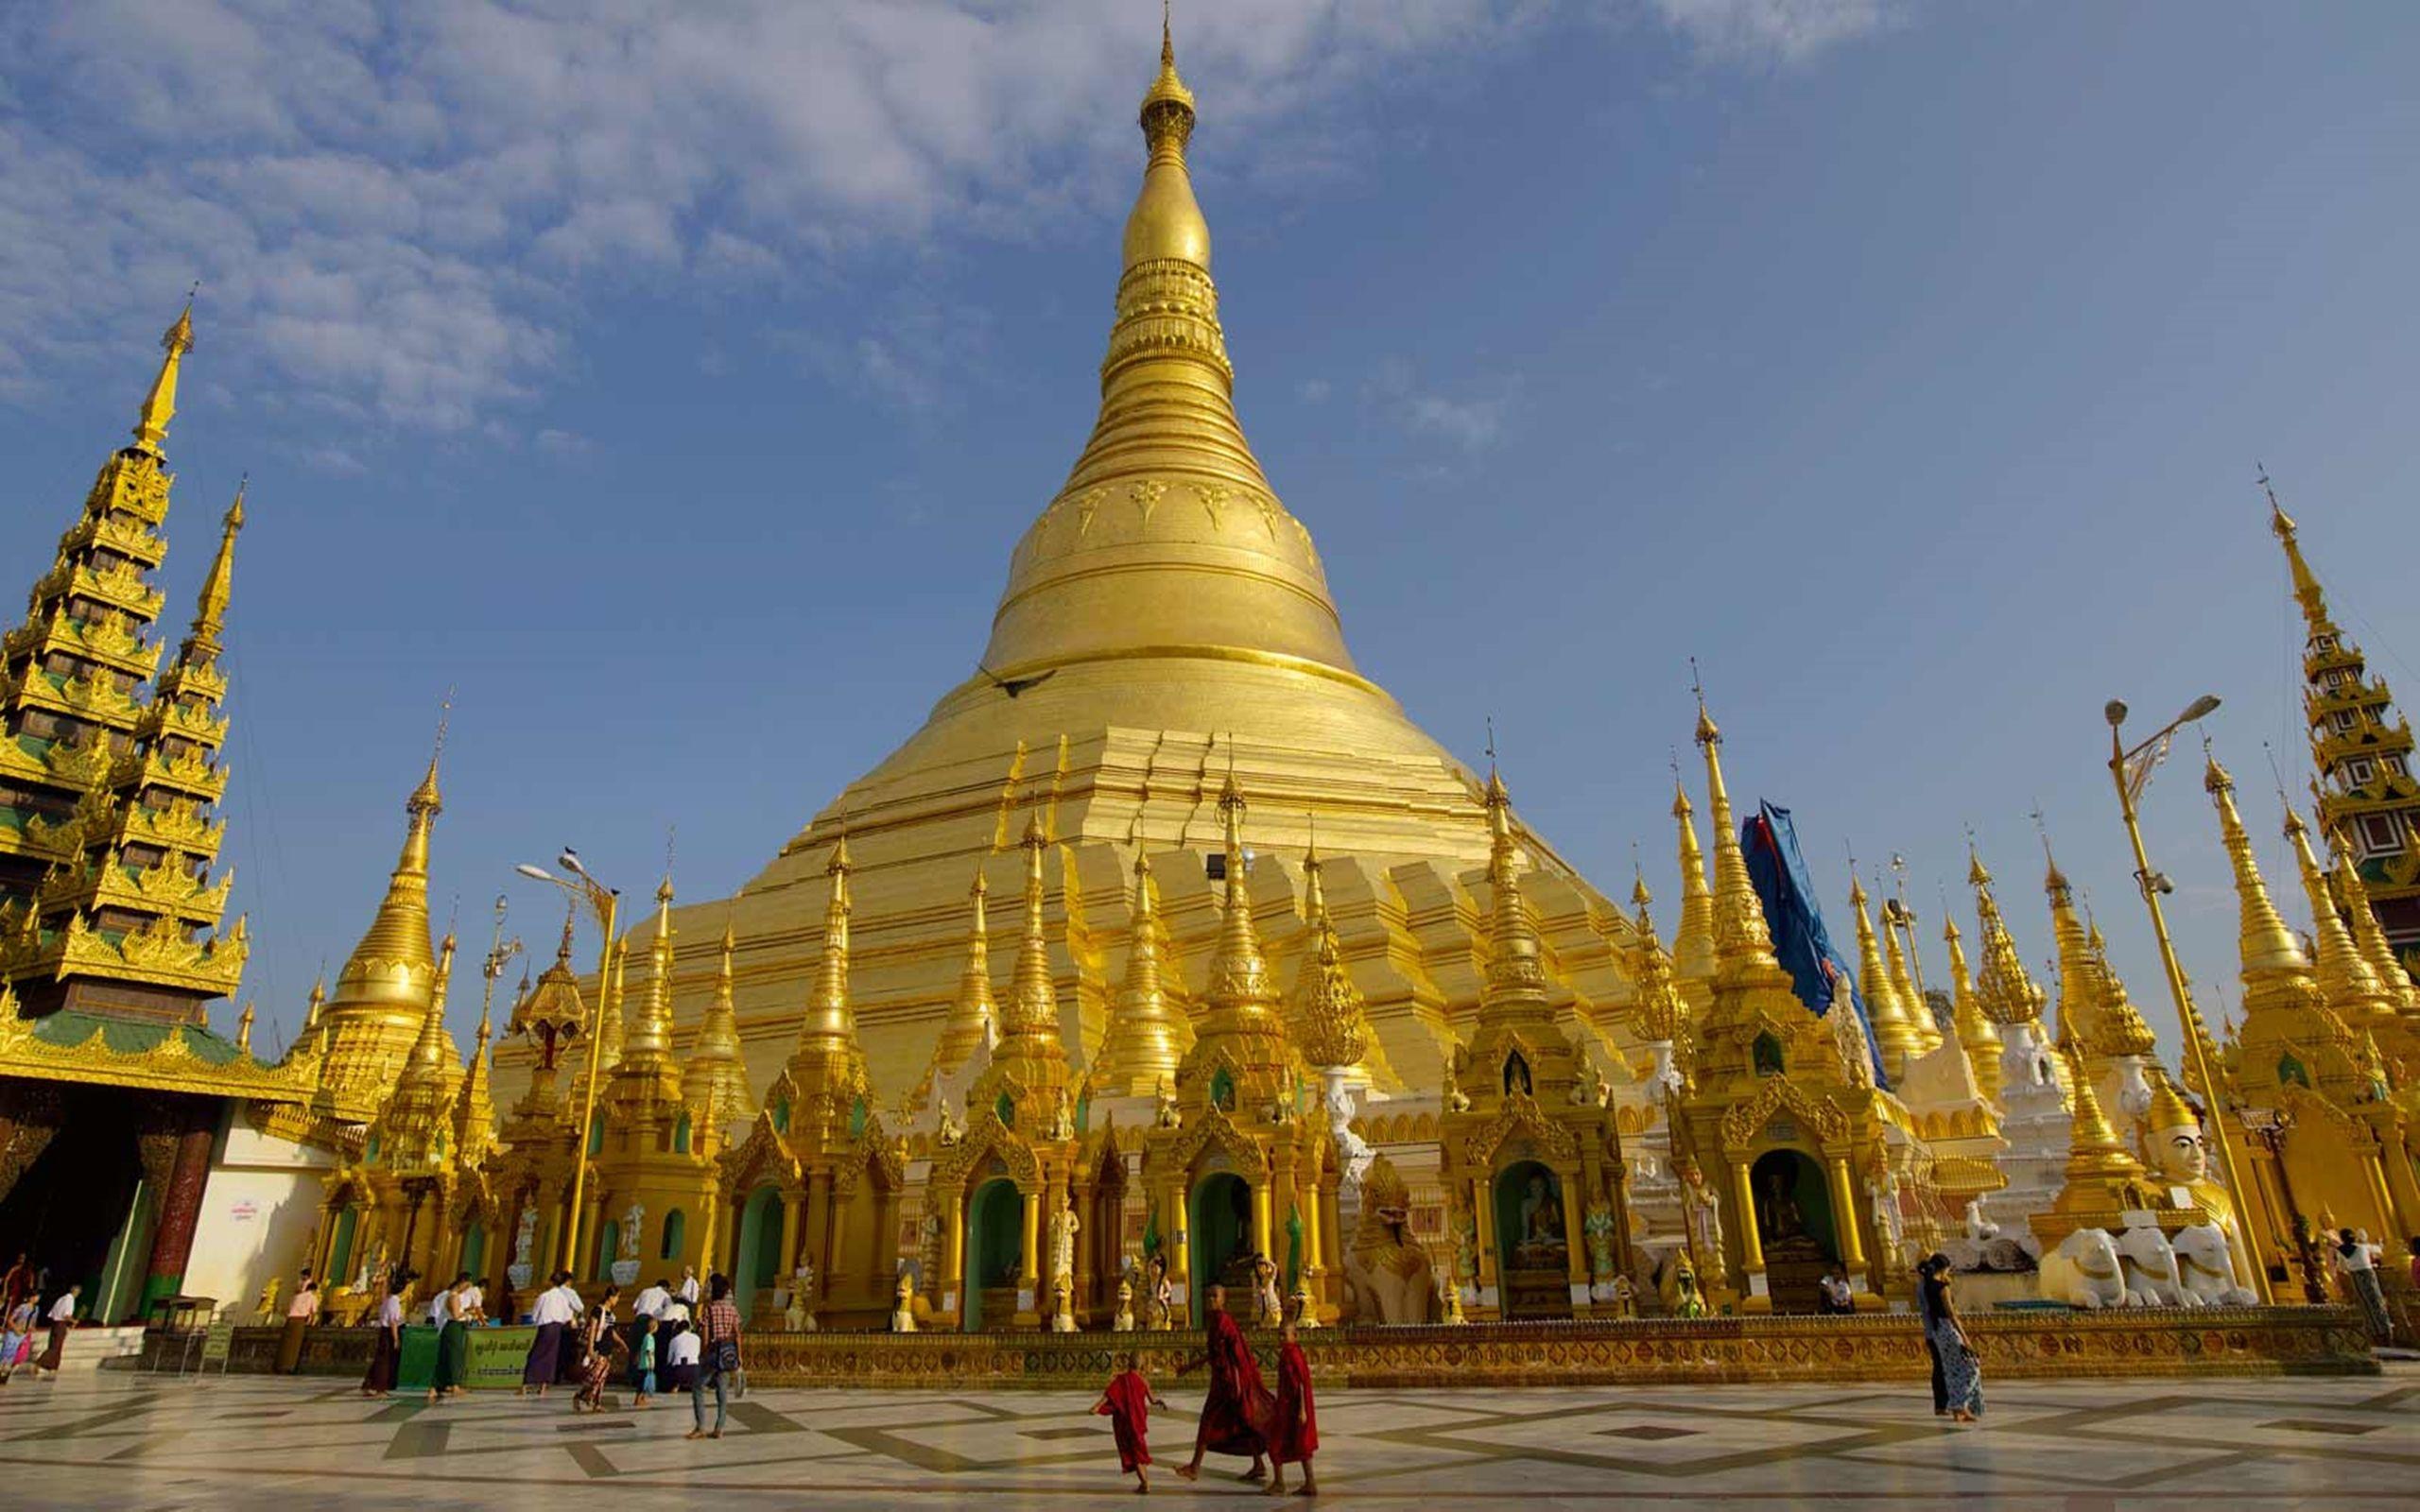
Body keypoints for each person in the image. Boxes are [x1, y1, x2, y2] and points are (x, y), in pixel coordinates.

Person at [1174, 1284, 1272, 1484]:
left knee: (1209, 1421)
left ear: (1223, 1299)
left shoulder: (1224, 1322)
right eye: (1208, 1296)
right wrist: (1189, 1367)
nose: (1211, 1299)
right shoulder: (1217, 1321)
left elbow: (1236, 1355)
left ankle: (1194, 1467)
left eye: (1215, 1296)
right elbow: (1214, 1354)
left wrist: (1237, 1384)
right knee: (1243, 1422)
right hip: (1223, 1381)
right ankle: (1259, 1464)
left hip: (1229, 1383)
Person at [1092, 1350, 1168, 1494]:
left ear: (1128, 1363)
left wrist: (1097, 1406)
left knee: (1135, 1454)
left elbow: (1109, 1395)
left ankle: (1145, 1483)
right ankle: (1144, 1483)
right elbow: (1152, 1400)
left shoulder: (1122, 1379)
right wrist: (1160, 1402)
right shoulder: (1143, 1381)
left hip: (1127, 1422)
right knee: (1137, 1451)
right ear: (1142, 1365)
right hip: (1138, 1422)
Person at [1919, 1256, 1982, 1423]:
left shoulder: (1926, 1286)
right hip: (1948, 1329)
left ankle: (1960, 1409)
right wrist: (1966, 1338)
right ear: (1944, 1268)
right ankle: (1959, 1404)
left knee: (1951, 1370)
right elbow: (1951, 1314)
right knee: (1972, 1366)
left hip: (1937, 1332)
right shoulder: (1942, 1287)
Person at [1265, 1317, 1319, 1498]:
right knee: (1300, 1443)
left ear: (1294, 1336)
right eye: (1279, 1334)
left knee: (1277, 1441)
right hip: (1287, 1405)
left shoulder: (1293, 1354)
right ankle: (1309, 1482)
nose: (1281, 1338)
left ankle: (1280, 1483)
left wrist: (1302, 1410)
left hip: (1294, 1406)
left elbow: (1302, 1383)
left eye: (1284, 1334)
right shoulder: (1288, 1353)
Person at [687, 1273, 743, 1441]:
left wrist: (703, 1353)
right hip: (728, 1352)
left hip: (714, 1351)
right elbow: (737, 1334)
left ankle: (701, 1426)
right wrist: (739, 1356)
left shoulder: (709, 1310)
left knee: (697, 1386)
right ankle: (719, 1428)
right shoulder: (732, 1310)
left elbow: (705, 1335)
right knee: (722, 1391)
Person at [521, 1271, 579, 1397]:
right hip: (557, 1328)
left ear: (551, 1282)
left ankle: (525, 1386)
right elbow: (567, 1315)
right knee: (550, 1357)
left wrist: (536, 1321)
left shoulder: (544, 1296)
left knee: (535, 1354)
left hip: (545, 1327)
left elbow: (535, 1313)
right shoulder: (563, 1298)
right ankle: (543, 1387)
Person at [2334, 1228, 2390, 1343]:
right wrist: (2380, 1243)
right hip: (2368, 1273)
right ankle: (2385, 1329)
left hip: (2355, 1276)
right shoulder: (2362, 1247)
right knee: (2377, 1300)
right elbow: (2379, 1250)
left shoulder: (2341, 1250)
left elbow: (2341, 1267)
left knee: (2366, 1303)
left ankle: (2375, 1331)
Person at [572, 1285, 623, 1413]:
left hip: (607, 1348)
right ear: (611, 1297)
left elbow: (611, 1331)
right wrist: (590, 1348)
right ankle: (580, 1396)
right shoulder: (598, 1310)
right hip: (597, 1348)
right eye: (617, 1297)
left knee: (601, 1378)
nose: (617, 1300)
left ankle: (596, 1403)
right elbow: (593, 1329)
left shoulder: (611, 1314)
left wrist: (622, 1343)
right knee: (594, 1377)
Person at [430, 1274, 475, 1401]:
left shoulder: (451, 1296)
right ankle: (455, 1385)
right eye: (466, 1286)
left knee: (445, 1357)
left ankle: (435, 1387)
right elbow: (455, 1315)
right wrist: (467, 1313)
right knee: (455, 1356)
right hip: (454, 1327)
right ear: (462, 1283)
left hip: (450, 1328)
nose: (466, 1289)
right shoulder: (453, 1296)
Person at [362, 1274, 406, 1398]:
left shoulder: (387, 1300)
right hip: (388, 1332)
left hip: (383, 1330)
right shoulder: (394, 1302)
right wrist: (396, 1338)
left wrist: (385, 1282)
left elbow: (383, 1293)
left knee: (380, 1359)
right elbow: (393, 1322)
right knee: (385, 1361)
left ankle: (371, 1386)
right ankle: (379, 1388)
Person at [276, 1274, 318, 1375]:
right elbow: (313, 1311)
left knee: (285, 1344)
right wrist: (311, 1321)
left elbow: (290, 1308)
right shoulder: (312, 1297)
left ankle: (280, 1366)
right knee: (294, 1345)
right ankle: (289, 1367)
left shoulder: (297, 1297)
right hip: (300, 1321)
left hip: (290, 1319)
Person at [1, 1291, 37, 1383]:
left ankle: (5, 1374)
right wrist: (15, 1329)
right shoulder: (22, 1307)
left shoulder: (36, 1309)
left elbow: (32, 1322)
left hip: (23, 1334)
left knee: (15, 1355)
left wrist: (30, 1329)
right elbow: (10, 1319)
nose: (35, 1298)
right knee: (6, 1354)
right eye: (34, 1296)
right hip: (14, 1333)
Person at [663, 1314, 701, 1393]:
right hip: (694, 1370)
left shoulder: (674, 1340)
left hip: (679, 1371)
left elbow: (669, 1359)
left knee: (668, 1367)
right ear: (689, 1328)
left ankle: (675, 1386)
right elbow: (698, 1353)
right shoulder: (697, 1338)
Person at [632, 1315, 660, 1408]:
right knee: (643, 1383)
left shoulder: (646, 1337)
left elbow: (641, 1350)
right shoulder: (649, 1338)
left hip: (643, 1363)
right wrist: (651, 1362)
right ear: (654, 1327)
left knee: (644, 1382)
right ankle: (638, 1399)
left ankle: (642, 1398)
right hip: (646, 1363)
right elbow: (648, 1351)